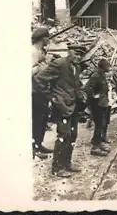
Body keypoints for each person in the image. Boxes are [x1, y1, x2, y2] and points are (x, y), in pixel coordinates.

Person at [34, 44, 87, 178]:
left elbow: (75, 84)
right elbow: (39, 79)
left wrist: (82, 94)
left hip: (73, 106)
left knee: (72, 135)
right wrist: (51, 96)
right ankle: (57, 168)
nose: (78, 56)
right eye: (76, 53)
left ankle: (66, 163)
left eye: (81, 54)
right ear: (69, 51)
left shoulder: (77, 66)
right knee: (63, 135)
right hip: (62, 106)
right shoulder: (59, 64)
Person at [31, 27, 52, 159]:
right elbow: (30, 71)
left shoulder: (40, 51)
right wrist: (44, 65)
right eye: (47, 38)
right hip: (34, 91)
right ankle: (34, 147)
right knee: (37, 119)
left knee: (43, 119)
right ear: (42, 38)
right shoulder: (32, 52)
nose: (48, 40)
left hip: (42, 90)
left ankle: (39, 143)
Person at [85, 59, 111, 157]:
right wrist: (94, 96)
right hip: (97, 104)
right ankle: (95, 148)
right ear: (102, 67)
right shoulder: (95, 76)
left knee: (101, 124)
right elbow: (87, 88)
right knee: (99, 125)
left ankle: (98, 142)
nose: (109, 68)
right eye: (107, 66)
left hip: (103, 103)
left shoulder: (102, 75)